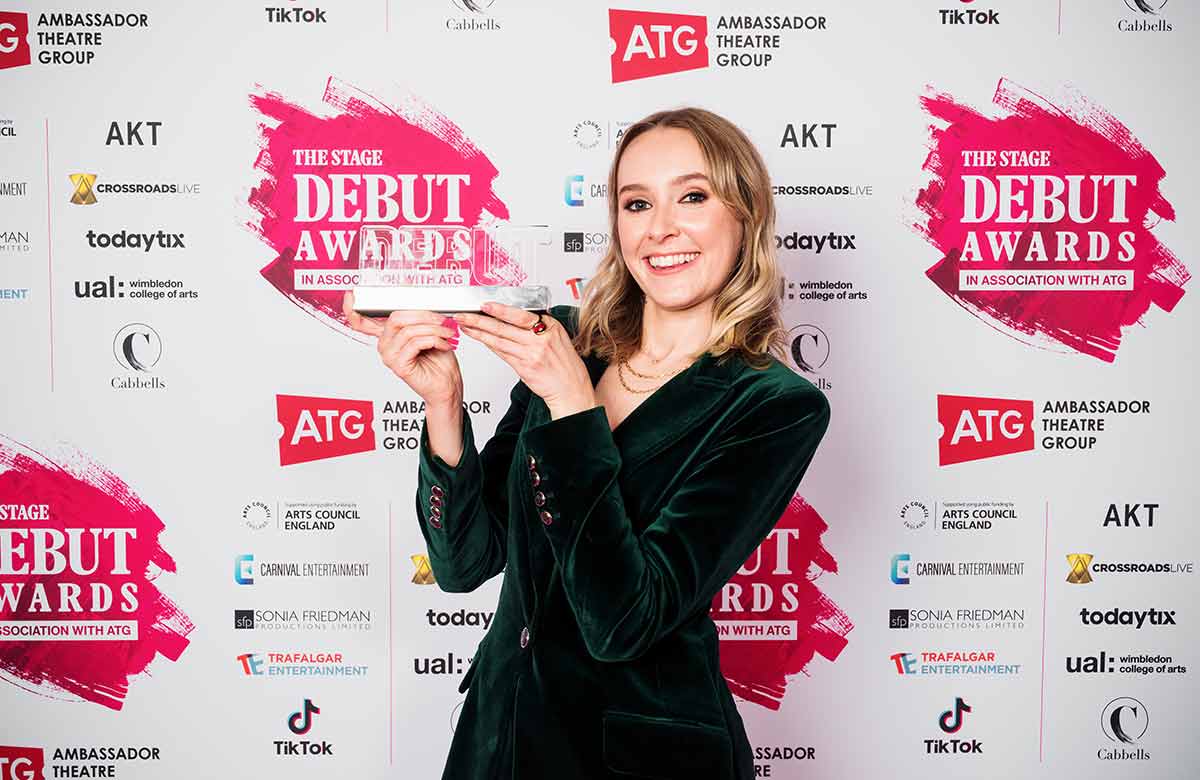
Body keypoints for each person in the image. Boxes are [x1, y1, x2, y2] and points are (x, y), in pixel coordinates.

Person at [344, 107, 830, 780]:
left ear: (745, 213)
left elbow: (624, 621)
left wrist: (573, 404)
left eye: (692, 196)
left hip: (635, 757)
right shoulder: (571, 340)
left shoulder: (774, 406)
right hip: (500, 739)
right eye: (637, 203)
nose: (660, 229)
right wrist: (444, 404)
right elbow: (465, 565)